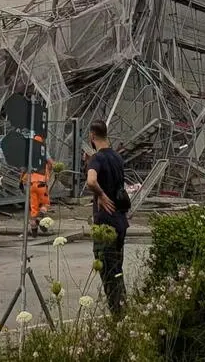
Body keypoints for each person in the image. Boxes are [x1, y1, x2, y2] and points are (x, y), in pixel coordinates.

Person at [86, 120, 128, 316]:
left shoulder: (97, 158)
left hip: (105, 223)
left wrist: (101, 195)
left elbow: (91, 181)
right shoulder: (118, 158)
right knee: (117, 268)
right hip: (120, 221)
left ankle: (117, 315)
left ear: (92, 136)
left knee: (107, 270)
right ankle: (123, 307)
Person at [22, 135, 55, 237]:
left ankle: (34, 232)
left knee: (33, 209)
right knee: (45, 205)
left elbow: (23, 169)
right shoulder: (43, 152)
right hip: (42, 185)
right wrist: (54, 168)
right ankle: (41, 222)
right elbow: (51, 163)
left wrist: (22, 181)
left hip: (31, 185)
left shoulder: (28, 154)